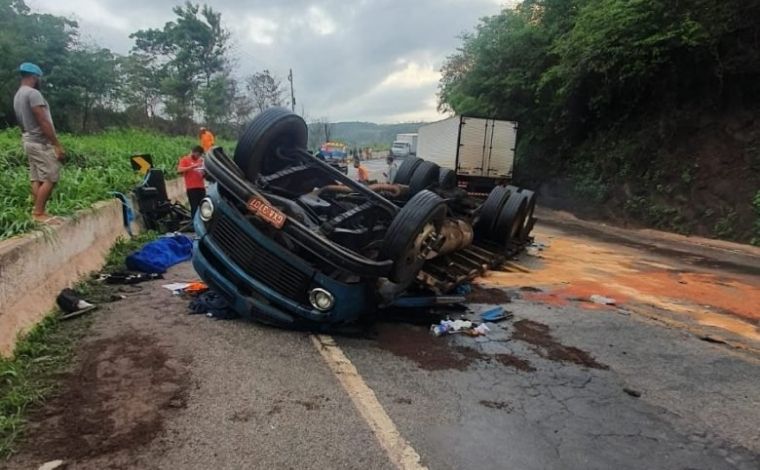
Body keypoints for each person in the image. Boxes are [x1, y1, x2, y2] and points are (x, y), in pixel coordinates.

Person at [13, 62, 64, 223]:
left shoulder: (18, 94)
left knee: (37, 178)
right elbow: (42, 120)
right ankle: (39, 213)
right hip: (40, 142)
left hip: (28, 139)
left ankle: (38, 211)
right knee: (51, 176)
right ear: (34, 77)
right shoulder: (33, 94)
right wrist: (56, 144)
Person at [177, 146, 206, 218]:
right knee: (194, 207)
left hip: (201, 187)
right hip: (191, 188)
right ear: (194, 152)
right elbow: (179, 170)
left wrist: (204, 172)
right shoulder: (185, 160)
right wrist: (192, 167)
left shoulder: (201, 161)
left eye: (200, 155)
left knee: (203, 207)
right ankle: (194, 223)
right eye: (198, 155)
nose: (198, 157)